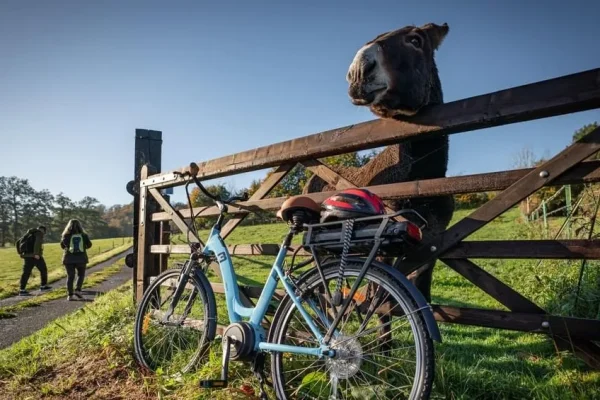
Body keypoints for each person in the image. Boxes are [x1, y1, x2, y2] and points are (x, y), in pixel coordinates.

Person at [60, 219, 92, 301]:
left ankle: (70, 295)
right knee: (80, 275)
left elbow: (63, 246)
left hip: (68, 259)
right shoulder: (83, 235)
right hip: (81, 258)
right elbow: (89, 245)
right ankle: (78, 290)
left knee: (70, 276)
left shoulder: (65, 235)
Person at [19, 225, 52, 296]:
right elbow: (37, 243)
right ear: (43, 231)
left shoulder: (29, 234)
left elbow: (18, 242)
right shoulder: (39, 234)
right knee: (43, 269)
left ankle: (22, 290)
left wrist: (21, 253)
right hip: (35, 256)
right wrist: (36, 254)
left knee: (26, 272)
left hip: (27, 256)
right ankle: (43, 286)